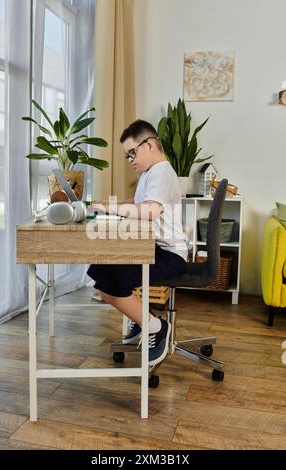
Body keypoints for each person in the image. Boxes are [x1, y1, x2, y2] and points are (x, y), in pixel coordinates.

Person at [88, 120, 187, 366]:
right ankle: (141, 316)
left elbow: (151, 210)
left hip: (169, 255)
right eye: (127, 155)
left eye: (133, 152)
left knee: (109, 284)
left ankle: (156, 326)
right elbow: (138, 200)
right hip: (150, 247)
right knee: (99, 267)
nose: (130, 159)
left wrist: (111, 208)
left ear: (150, 145)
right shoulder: (149, 173)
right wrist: (110, 206)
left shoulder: (162, 172)